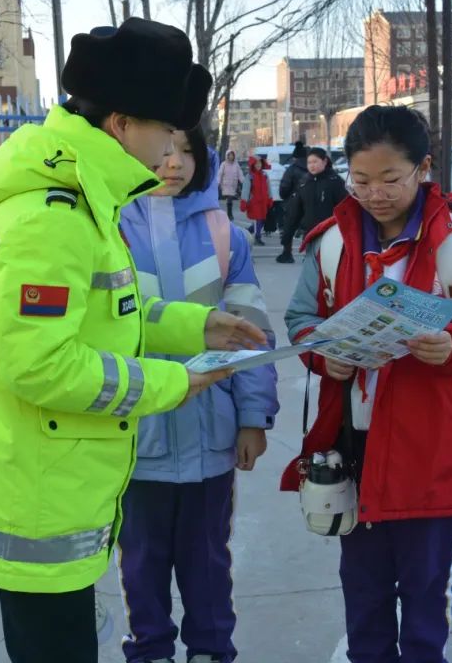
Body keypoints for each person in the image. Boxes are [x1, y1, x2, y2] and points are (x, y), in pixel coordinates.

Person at [0, 18, 268, 663]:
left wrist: (195, 324)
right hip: (36, 495)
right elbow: (43, 366)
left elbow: (110, 307)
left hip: (56, 482)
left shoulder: (84, 199)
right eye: (164, 130)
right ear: (120, 125)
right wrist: (173, 381)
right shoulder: (50, 219)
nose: (170, 150)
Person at [282, 105, 452, 663]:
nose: (375, 194)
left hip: (432, 446)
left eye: (391, 179)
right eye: (360, 180)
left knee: (425, 597)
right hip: (354, 446)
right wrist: (324, 354)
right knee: (362, 597)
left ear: (424, 168)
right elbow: (299, 321)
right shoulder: (332, 244)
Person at [118, 124, 279, 663]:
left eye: (188, 150)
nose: (174, 161)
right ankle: (151, 650)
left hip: (213, 441)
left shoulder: (223, 233)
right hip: (134, 444)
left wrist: (253, 416)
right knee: (141, 561)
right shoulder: (105, 227)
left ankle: (211, 650)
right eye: (165, 147)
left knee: (209, 561)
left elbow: (251, 329)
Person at [277, 147, 346, 264]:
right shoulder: (304, 183)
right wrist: (287, 235)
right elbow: (294, 212)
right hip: (310, 234)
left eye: (315, 162)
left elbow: (346, 209)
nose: (312, 165)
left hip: (332, 235)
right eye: (309, 162)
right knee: (311, 269)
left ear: (324, 162)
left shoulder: (335, 181)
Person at [243, 153, 274, 246]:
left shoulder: (265, 175)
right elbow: (245, 189)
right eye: (256, 164)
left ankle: (246, 232)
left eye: (260, 163)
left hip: (263, 202)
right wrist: (244, 201)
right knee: (258, 220)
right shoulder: (250, 176)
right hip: (254, 203)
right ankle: (257, 237)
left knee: (262, 220)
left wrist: (270, 198)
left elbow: (269, 188)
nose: (258, 165)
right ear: (252, 164)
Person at [217, 150, 245, 220]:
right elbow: (219, 174)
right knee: (229, 199)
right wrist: (217, 182)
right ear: (227, 156)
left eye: (232, 155)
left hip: (233, 185)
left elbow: (240, 174)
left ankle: (229, 213)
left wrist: (244, 182)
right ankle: (229, 214)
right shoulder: (224, 164)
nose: (231, 157)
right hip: (225, 185)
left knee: (230, 199)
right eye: (229, 155)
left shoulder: (236, 165)